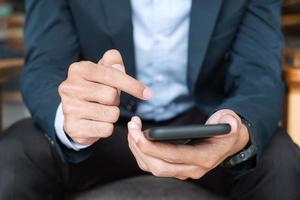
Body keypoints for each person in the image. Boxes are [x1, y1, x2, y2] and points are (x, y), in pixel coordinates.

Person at [0, 0, 299, 199]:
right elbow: (44, 67)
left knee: (282, 163)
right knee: (13, 157)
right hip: (103, 131)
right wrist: (73, 117)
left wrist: (236, 127)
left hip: (203, 127)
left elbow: (259, 74)